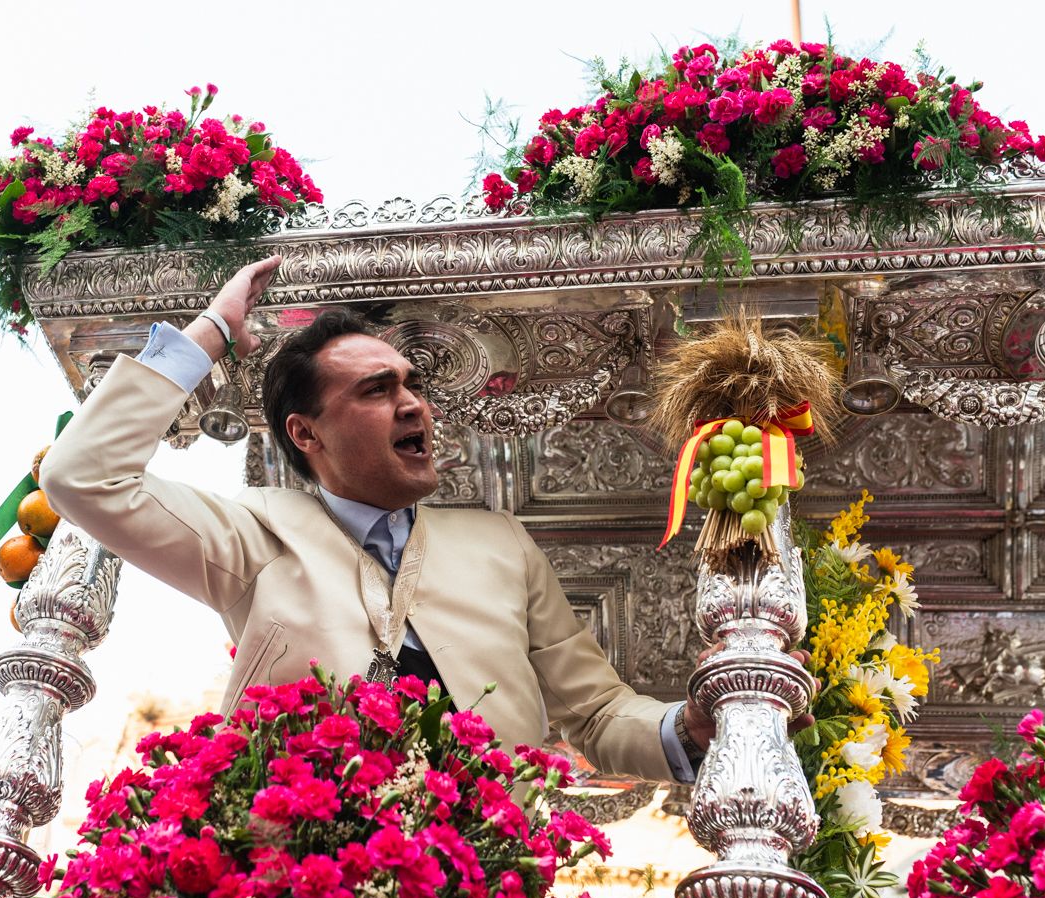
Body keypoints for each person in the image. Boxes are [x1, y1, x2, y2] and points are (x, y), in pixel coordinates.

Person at [42, 256, 722, 783]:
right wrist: (212, 332)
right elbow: (84, 477)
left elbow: (598, 714)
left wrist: (688, 727)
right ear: (305, 434)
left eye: (412, 385)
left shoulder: (499, 544)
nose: (413, 406)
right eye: (377, 390)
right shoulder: (254, 530)